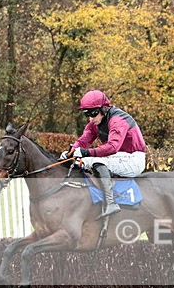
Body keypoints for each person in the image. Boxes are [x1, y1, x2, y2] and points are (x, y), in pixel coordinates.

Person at [59, 90, 147, 219]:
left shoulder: (118, 120)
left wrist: (85, 152)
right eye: (87, 114)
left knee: (94, 161)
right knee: (79, 161)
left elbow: (112, 146)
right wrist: (71, 152)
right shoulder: (94, 123)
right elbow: (83, 141)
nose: (90, 118)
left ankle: (110, 203)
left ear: (104, 109)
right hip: (117, 157)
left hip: (133, 158)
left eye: (93, 113)